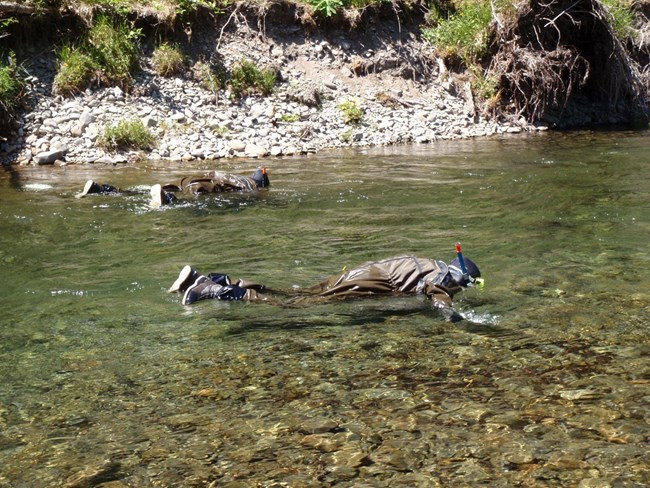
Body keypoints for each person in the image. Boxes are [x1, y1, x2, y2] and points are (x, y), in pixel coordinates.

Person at [168, 251, 482, 320]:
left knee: (298, 293)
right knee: (299, 306)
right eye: (461, 286)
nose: (458, 290)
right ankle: (215, 291)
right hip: (366, 283)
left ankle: (216, 278)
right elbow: (439, 293)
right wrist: (455, 317)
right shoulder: (441, 276)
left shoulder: (427, 262)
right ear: (458, 278)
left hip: (360, 272)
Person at [161, 167, 270, 195]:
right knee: (198, 187)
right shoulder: (251, 186)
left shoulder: (244, 178)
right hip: (227, 182)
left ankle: (163, 188)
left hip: (216, 175)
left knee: (186, 182)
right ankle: (170, 199)